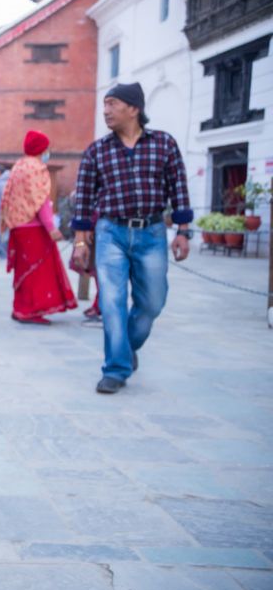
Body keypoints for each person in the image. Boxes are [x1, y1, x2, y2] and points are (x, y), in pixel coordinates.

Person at [72, 82, 192, 394]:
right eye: (105, 104)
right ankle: (116, 368)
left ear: (134, 109)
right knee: (111, 302)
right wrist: (81, 242)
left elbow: (179, 187)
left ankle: (125, 347)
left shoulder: (164, 144)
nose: (106, 111)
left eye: (112, 104)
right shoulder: (97, 150)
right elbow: (83, 198)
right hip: (110, 232)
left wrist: (182, 231)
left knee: (152, 302)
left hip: (152, 232)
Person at [0, 130, 77, 325]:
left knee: (23, 269)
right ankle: (30, 310)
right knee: (37, 271)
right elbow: (41, 201)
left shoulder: (19, 165)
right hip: (34, 228)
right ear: (41, 148)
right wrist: (52, 228)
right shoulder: (37, 168)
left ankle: (20, 308)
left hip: (18, 226)